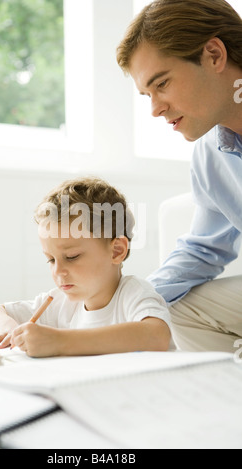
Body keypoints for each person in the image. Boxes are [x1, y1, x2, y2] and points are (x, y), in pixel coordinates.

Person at [116, 0, 242, 352]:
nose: (155, 109)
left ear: (214, 55)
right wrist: (126, 304)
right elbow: (203, 250)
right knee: (169, 309)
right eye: (147, 95)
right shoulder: (211, 155)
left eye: (162, 84)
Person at [0, 177, 171, 357]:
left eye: (72, 257)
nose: (57, 271)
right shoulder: (60, 303)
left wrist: (60, 342)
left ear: (116, 251)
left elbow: (156, 336)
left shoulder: (132, 293)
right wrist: (5, 325)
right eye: (51, 260)